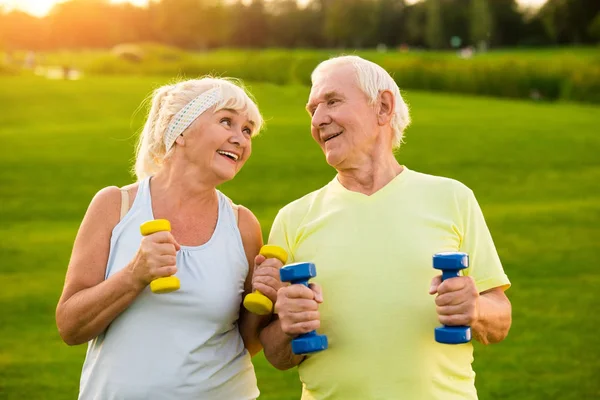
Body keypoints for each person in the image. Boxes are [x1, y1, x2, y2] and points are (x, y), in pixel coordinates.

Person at [256, 56, 512, 399]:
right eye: (312, 110)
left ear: (383, 107)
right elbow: (275, 353)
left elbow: (500, 319)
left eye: (332, 101)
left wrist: (475, 308)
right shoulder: (293, 218)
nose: (318, 119)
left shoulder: (452, 198)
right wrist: (288, 327)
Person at [56, 77, 269, 399]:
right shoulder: (116, 206)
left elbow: (249, 340)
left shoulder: (242, 225)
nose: (240, 139)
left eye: (247, 130)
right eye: (227, 121)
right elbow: (70, 327)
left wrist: (269, 299)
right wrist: (134, 276)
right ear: (179, 130)